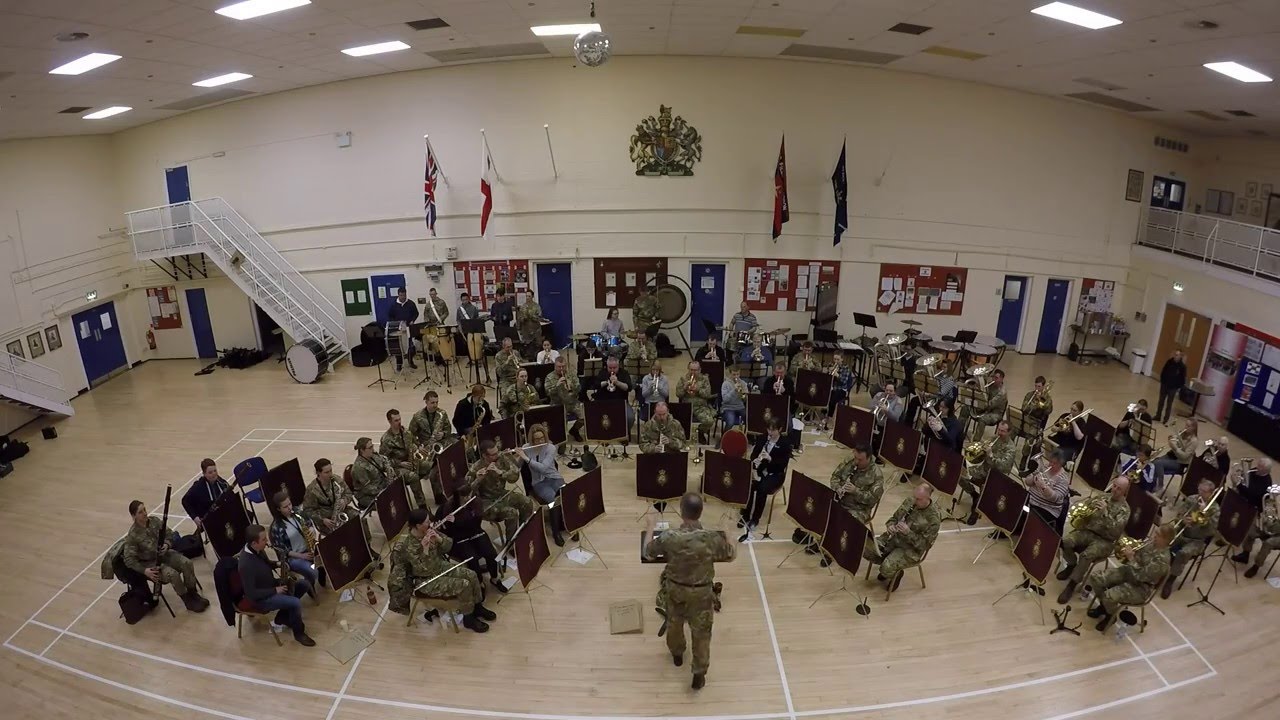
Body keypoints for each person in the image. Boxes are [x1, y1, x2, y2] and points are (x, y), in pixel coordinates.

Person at [643, 493, 736, 689]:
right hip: (702, 594)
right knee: (702, 634)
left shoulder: (669, 537)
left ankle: (677, 654)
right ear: (700, 512)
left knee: (674, 623)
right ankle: (699, 674)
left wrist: (650, 526)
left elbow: (648, 553)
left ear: (682, 512)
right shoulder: (711, 539)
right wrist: (728, 531)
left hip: (676, 590)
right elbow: (730, 554)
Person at [388, 507, 495, 632]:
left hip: (439, 566)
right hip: (425, 580)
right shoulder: (407, 545)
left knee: (471, 574)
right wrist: (425, 550)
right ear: (417, 525)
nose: (430, 524)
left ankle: (477, 606)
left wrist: (438, 539)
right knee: (464, 585)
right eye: (427, 522)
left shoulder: (428, 530)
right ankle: (468, 618)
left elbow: (449, 545)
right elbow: (423, 570)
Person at [121, 500, 210, 612]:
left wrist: (167, 544)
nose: (144, 513)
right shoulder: (132, 536)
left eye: (144, 510)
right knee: (173, 575)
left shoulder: (154, 521)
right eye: (140, 512)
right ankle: (187, 600)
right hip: (152, 564)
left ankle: (193, 594)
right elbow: (129, 560)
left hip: (165, 554)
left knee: (187, 563)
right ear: (133, 516)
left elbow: (170, 534)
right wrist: (145, 571)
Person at [1055, 478, 1131, 604]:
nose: (1115, 490)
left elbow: (1116, 531)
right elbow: (1085, 508)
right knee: (1065, 541)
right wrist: (1087, 509)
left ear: (1125, 492)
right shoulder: (1103, 497)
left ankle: (1072, 585)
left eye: (1119, 489)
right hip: (1089, 532)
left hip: (1105, 541)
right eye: (1114, 486)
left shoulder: (1125, 510)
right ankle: (1072, 564)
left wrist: (1105, 513)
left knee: (1087, 555)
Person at [238, 525, 315, 646]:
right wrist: (275, 590)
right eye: (264, 540)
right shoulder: (246, 565)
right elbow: (251, 594)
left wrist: (279, 564)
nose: (267, 542)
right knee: (295, 603)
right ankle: (299, 633)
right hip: (262, 599)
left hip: (271, 585)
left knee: (304, 584)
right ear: (254, 543)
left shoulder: (257, 549)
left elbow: (266, 564)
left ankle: (282, 618)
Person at [1087, 525, 1172, 633]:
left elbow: (1141, 576)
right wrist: (1131, 550)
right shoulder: (1151, 544)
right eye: (1155, 533)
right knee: (1096, 578)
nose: (1154, 536)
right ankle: (1105, 607)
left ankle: (1110, 616)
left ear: (1166, 540)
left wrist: (1131, 558)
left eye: (1158, 535)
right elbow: (1136, 557)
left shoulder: (1162, 560)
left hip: (1141, 587)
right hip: (1129, 572)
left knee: (1109, 596)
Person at [862, 484, 942, 589]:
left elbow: (924, 546)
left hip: (910, 549)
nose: (914, 501)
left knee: (886, 568)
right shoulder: (910, 501)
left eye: (918, 499)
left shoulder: (934, 519)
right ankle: (888, 565)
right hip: (894, 538)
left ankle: (895, 573)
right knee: (865, 549)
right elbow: (893, 518)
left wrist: (908, 533)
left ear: (928, 498)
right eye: (914, 497)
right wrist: (890, 526)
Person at [432, 484, 506, 593]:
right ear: (457, 496)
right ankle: (479, 582)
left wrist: (457, 521)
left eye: (469, 495)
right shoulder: (448, 507)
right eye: (464, 496)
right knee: (472, 559)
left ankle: (494, 578)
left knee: (491, 553)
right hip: (459, 538)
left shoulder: (476, 502)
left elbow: (476, 523)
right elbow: (448, 532)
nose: (467, 498)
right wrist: (442, 526)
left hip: (476, 532)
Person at [462, 439, 535, 544]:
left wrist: (501, 473)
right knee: (512, 513)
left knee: (527, 502)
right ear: (484, 455)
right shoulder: (475, 468)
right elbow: (466, 495)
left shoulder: (501, 457)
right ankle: (511, 544)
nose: (497, 455)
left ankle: (523, 533)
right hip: (485, 502)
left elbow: (515, 476)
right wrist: (478, 479)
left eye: (497, 452)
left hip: (501, 494)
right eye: (493, 454)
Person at [1162, 478, 1220, 598]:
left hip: (1197, 540)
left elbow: (1211, 531)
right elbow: (1179, 515)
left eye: (1204, 491)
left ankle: (1170, 580)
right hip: (1183, 532)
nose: (1200, 493)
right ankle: (1160, 569)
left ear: (1211, 493)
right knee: (1164, 539)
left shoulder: (1215, 509)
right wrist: (1183, 520)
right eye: (1199, 489)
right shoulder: (1192, 499)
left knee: (1183, 553)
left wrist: (1203, 514)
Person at [740, 419, 791, 540]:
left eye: (773, 430)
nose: (770, 432)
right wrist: (756, 459)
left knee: (762, 488)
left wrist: (770, 459)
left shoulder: (785, 444)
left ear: (780, 430)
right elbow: (754, 454)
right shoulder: (763, 438)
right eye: (769, 429)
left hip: (775, 474)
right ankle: (746, 514)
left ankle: (755, 519)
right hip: (761, 470)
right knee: (750, 484)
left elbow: (782, 465)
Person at [517, 424, 567, 545]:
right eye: (536, 439)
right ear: (531, 440)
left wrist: (526, 458)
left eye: (542, 438)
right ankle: (556, 532)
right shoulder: (526, 448)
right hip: (539, 483)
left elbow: (544, 468)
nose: (540, 441)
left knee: (566, 493)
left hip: (554, 478)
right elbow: (517, 467)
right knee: (552, 499)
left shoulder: (551, 447)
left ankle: (568, 524)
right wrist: (515, 456)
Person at [959, 420, 1017, 525]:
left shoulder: (1011, 449)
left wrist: (990, 456)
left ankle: (975, 512)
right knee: (960, 474)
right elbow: (981, 452)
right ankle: (973, 494)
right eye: (999, 429)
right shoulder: (994, 438)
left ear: (1009, 432)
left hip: (996, 476)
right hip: (983, 470)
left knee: (984, 487)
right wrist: (980, 450)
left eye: (1003, 431)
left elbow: (1004, 468)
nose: (999, 432)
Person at [268, 490, 321, 594]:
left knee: (328, 557)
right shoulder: (276, 527)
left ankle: (321, 572)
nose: (290, 508)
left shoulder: (297, 511)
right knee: (313, 572)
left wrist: (311, 530)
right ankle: (309, 585)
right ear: (278, 509)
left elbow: (309, 523)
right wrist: (302, 556)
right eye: (285, 507)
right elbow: (282, 551)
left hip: (309, 548)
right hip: (294, 557)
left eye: (290, 504)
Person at [386, 405, 435, 507]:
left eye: (399, 419)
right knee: (414, 477)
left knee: (432, 465)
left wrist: (418, 447)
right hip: (398, 468)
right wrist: (400, 463)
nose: (399, 422)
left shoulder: (406, 432)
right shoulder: (386, 439)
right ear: (390, 422)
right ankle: (422, 506)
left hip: (411, 461)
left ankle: (438, 494)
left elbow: (414, 442)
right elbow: (384, 461)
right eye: (396, 420)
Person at [302, 458, 360, 536]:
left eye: (331, 471)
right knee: (342, 534)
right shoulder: (312, 490)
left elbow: (348, 493)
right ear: (318, 473)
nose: (330, 474)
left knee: (360, 519)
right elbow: (307, 510)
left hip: (341, 512)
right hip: (327, 520)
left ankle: (366, 545)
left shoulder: (336, 480)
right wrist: (323, 520)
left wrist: (345, 500)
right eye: (326, 472)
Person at [351, 436, 412, 509]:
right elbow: (367, 489)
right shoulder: (359, 468)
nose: (373, 449)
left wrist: (389, 470)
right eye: (370, 448)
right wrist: (386, 491)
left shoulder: (372, 456)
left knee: (400, 491)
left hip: (381, 486)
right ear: (362, 450)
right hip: (367, 496)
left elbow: (384, 460)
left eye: (372, 446)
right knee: (392, 502)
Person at [830, 444, 884, 526]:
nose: (856, 461)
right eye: (855, 457)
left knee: (848, 524)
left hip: (859, 509)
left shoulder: (877, 475)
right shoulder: (850, 461)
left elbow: (872, 500)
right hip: (839, 501)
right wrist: (838, 488)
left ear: (869, 458)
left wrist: (855, 491)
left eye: (860, 460)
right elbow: (835, 477)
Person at [1021, 448, 1071, 537]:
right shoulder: (1044, 467)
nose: (1050, 465)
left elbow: (1056, 498)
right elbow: (1027, 482)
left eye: (1054, 463)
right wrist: (1033, 478)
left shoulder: (1063, 479)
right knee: (1016, 505)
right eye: (1050, 461)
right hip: (1031, 501)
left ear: (1061, 464)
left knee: (1029, 514)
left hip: (1047, 509)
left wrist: (1044, 487)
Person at [1232, 491, 1280, 579]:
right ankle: (1245, 554)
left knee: (1268, 543)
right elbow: (1268, 512)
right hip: (1272, 527)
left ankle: (1256, 566)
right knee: (1252, 530)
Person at [182, 458, 229, 530]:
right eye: (210, 472)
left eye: (215, 471)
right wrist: (195, 517)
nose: (214, 474)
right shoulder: (198, 487)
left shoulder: (221, 482)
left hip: (222, 513)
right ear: (204, 474)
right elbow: (185, 501)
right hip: (209, 519)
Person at [675, 361, 715, 444]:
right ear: (688, 369)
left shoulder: (704, 379)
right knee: (677, 422)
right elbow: (678, 394)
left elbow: (708, 394)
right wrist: (684, 388)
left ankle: (700, 432)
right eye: (691, 370)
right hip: (686, 406)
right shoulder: (683, 378)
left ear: (700, 370)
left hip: (700, 407)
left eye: (695, 370)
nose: (693, 372)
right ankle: (683, 437)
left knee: (709, 421)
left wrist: (698, 390)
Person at [591, 356, 635, 432]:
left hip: (621, 403)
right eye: (610, 368)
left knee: (630, 417)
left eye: (614, 368)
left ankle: (623, 433)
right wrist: (606, 382)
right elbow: (595, 385)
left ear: (618, 366)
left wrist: (617, 382)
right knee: (593, 415)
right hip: (604, 402)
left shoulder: (624, 373)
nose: (612, 370)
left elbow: (628, 388)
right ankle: (605, 434)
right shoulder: (602, 372)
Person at [545, 357, 584, 442]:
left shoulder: (572, 374)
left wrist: (572, 386)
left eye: (563, 366)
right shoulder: (549, 377)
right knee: (561, 423)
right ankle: (560, 438)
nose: (561, 369)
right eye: (559, 367)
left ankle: (574, 431)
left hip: (572, 402)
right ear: (555, 366)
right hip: (558, 403)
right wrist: (557, 385)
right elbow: (548, 392)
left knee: (583, 417)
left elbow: (579, 388)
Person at [1036, 400, 1086, 466]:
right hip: (1059, 441)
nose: (1071, 412)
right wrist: (1059, 429)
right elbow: (1052, 429)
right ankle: (1034, 467)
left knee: (1058, 455)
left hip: (1070, 446)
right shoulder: (1065, 416)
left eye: (1074, 410)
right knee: (1038, 443)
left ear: (1080, 412)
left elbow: (1079, 437)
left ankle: (1053, 470)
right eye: (1071, 409)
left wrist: (1073, 422)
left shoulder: (1081, 422)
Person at [965, 368, 1006, 440]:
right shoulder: (990, 385)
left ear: (1001, 379)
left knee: (982, 419)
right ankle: (959, 432)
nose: (993, 379)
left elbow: (989, 405)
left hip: (995, 413)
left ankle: (975, 442)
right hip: (985, 408)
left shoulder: (1002, 393)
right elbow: (983, 396)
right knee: (965, 409)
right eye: (993, 377)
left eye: (996, 378)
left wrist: (980, 403)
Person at [387, 288, 419, 371]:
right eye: (401, 295)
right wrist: (396, 324)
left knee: (410, 346)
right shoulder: (393, 305)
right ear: (398, 295)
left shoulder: (411, 303)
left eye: (404, 295)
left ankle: (410, 362)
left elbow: (416, 313)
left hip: (408, 328)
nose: (403, 297)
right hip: (399, 329)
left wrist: (412, 320)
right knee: (399, 347)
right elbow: (390, 316)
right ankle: (399, 364)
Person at [821, 350, 854, 430]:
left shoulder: (846, 368)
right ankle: (824, 414)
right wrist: (828, 373)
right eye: (834, 359)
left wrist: (837, 375)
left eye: (838, 359)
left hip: (841, 389)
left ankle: (829, 418)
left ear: (842, 359)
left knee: (832, 400)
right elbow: (826, 380)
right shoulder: (831, 365)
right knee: (823, 394)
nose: (836, 361)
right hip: (832, 388)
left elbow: (843, 382)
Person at [1157, 349, 1187, 426]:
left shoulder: (1182, 367)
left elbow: (1182, 379)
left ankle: (1166, 419)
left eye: (1177, 355)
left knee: (1169, 404)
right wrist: (1162, 380)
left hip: (1173, 388)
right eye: (1175, 354)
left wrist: (1177, 387)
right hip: (1164, 385)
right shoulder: (1169, 362)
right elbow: (1163, 371)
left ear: (1180, 356)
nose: (1175, 356)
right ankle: (1158, 416)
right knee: (1161, 401)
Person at [720, 366, 747, 432]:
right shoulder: (725, 384)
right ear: (730, 374)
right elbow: (725, 400)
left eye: (738, 374)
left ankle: (748, 437)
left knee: (751, 419)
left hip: (740, 407)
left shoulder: (743, 383)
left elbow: (745, 399)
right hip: (728, 408)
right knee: (730, 422)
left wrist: (745, 394)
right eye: (734, 374)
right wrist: (734, 390)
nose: (736, 377)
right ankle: (724, 439)